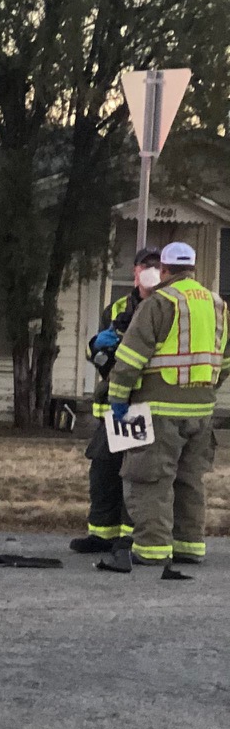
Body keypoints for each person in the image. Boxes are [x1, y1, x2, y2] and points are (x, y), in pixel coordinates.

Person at [102, 240, 227, 571]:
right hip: (201, 412)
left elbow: (130, 357)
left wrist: (117, 396)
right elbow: (225, 361)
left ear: (165, 270)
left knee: (151, 480)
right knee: (190, 481)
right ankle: (189, 546)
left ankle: (152, 550)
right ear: (193, 268)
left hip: (159, 410)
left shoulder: (160, 302)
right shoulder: (218, 305)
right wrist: (206, 388)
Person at [71, 247, 159, 554]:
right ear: (134, 271)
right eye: (144, 266)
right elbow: (96, 352)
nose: (149, 272)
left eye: (156, 266)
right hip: (114, 403)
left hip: (140, 401)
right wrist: (98, 346)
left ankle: (127, 537)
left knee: (132, 474)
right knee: (104, 470)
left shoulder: (165, 305)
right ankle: (101, 533)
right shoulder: (119, 307)